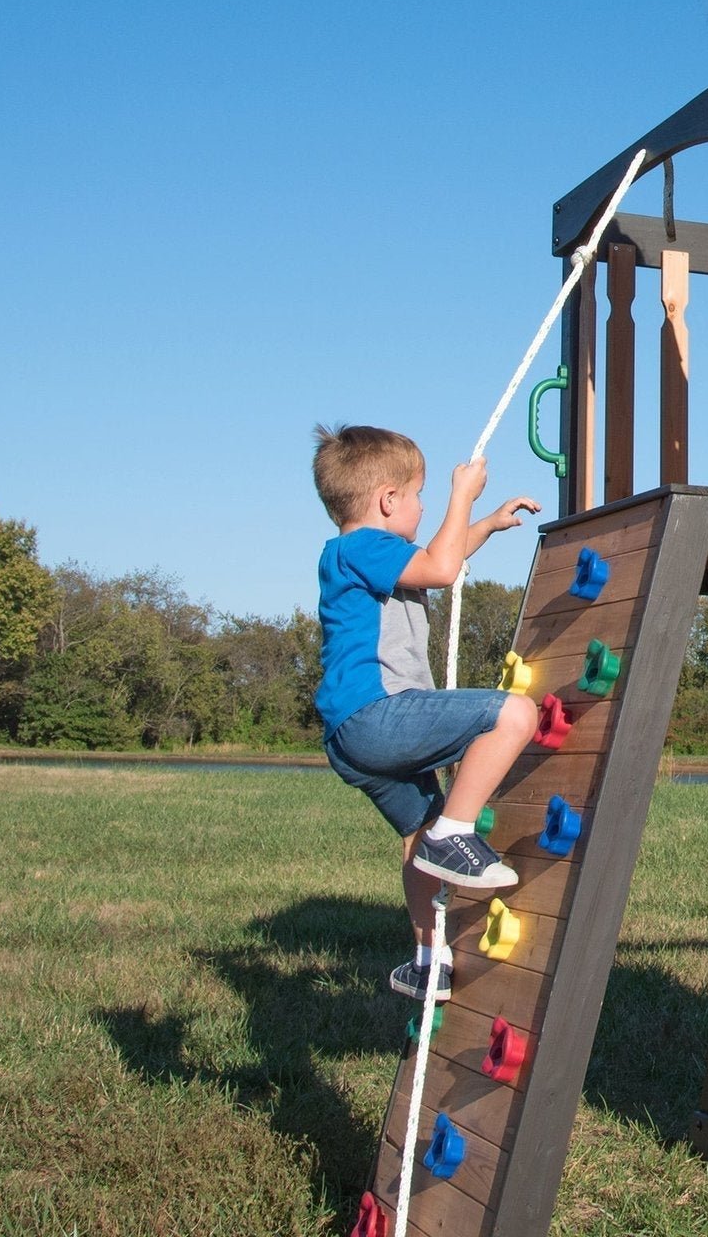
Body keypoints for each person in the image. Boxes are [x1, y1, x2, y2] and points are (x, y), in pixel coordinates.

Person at [311, 423, 541, 1003]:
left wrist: (484, 524)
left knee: (418, 835)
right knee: (513, 714)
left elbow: (442, 559)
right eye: (419, 496)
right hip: (378, 717)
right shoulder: (363, 547)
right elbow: (440, 569)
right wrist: (463, 495)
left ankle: (427, 960)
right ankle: (456, 834)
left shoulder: (358, 555)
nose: (424, 507)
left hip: (352, 738)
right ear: (388, 500)